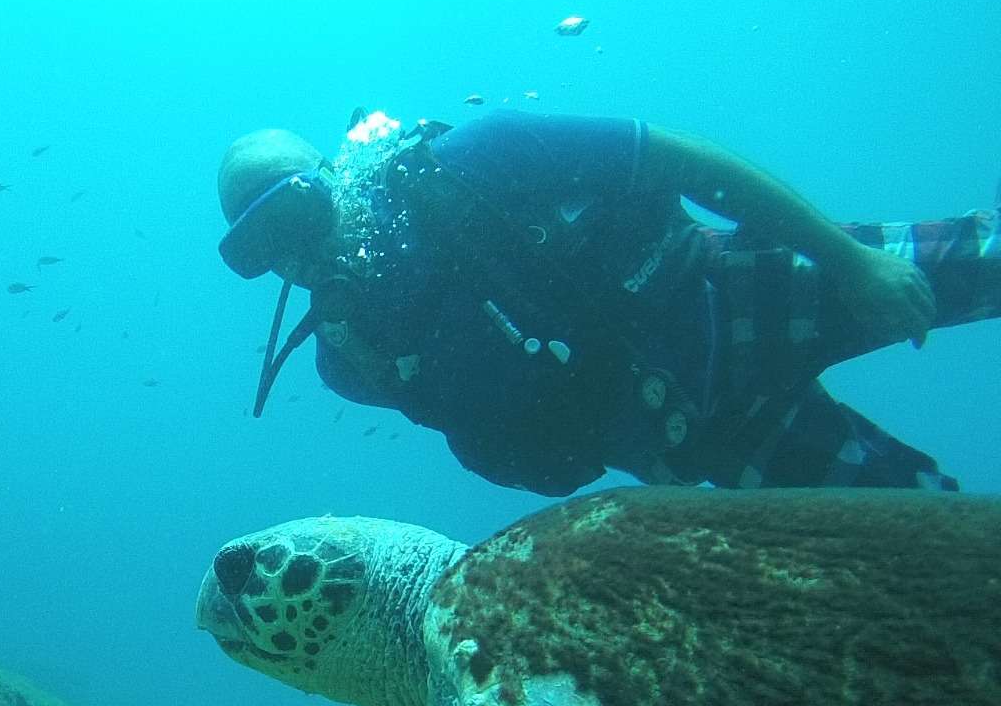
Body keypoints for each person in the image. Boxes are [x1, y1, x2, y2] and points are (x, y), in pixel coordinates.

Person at [216, 109, 1000, 495]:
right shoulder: (354, 365)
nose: (294, 252)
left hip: (739, 290)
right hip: (718, 437)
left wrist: (850, 261)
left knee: (985, 260)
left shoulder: (475, 156)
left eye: (295, 213)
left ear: (338, 178)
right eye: (259, 248)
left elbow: (684, 160)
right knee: (933, 541)